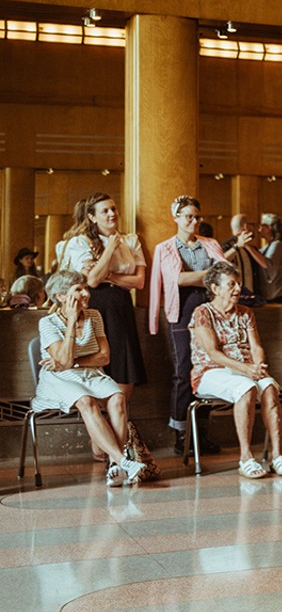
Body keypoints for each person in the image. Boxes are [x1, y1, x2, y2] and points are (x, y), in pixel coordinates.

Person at [32, 270, 149, 486]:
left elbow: (104, 357)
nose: (86, 293)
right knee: (86, 401)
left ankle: (115, 466)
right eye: (78, 290)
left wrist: (74, 362)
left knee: (118, 398)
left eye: (86, 288)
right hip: (58, 378)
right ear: (61, 296)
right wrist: (71, 323)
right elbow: (63, 360)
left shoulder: (94, 316)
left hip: (90, 374)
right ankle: (122, 461)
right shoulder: (47, 323)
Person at [189, 262, 282, 477]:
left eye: (239, 283)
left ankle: (277, 455)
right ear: (215, 288)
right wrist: (247, 370)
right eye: (231, 284)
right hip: (211, 372)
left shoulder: (246, 313)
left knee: (269, 388)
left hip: (245, 370)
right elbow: (213, 353)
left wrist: (258, 367)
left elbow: (256, 347)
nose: (238, 289)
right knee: (247, 388)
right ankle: (246, 458)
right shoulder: (203, 312)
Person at [149, 195, 229, 454]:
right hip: (181, 311)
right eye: (188, 216)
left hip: (210, 311)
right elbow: (175, 281)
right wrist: (208, 276)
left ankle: (201, 433)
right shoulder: (165, 248)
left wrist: (196, 277)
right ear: (176, 218)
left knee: (207, 370)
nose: (193, 221)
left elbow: (225, 274)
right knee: (183, 371)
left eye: (196, 217)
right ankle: (181, 434)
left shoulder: (210, 243)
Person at [62, 193, 149, 397]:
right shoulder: (80, 242)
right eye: (105, 211)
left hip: (121, 304)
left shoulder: (131, 240)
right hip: (94, 303)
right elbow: (92, 281)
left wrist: (107, 275)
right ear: (92, 217)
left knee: (124, 363)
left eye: (114, 209)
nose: (112, 214)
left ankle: (122, 417)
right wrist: (110, 248)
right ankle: (103, 419)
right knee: (98, 359)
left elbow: (139, 282)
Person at [221, 214, 268, 306]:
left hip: (252, 299)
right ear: (245, 226)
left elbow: (265, 265)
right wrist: (236, 247)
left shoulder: (252, 248)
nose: (255, 229)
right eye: (253, 225)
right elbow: (220, 262)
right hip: (234, 299)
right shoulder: (227, 246)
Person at [257, 213, 282, 303]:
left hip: (281, 297)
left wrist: (247, 247)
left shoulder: (277, 245)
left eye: (261, 226)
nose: (259, 229)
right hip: (275, 296)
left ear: (268, 228)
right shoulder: (267, 246)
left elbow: (267, 264)